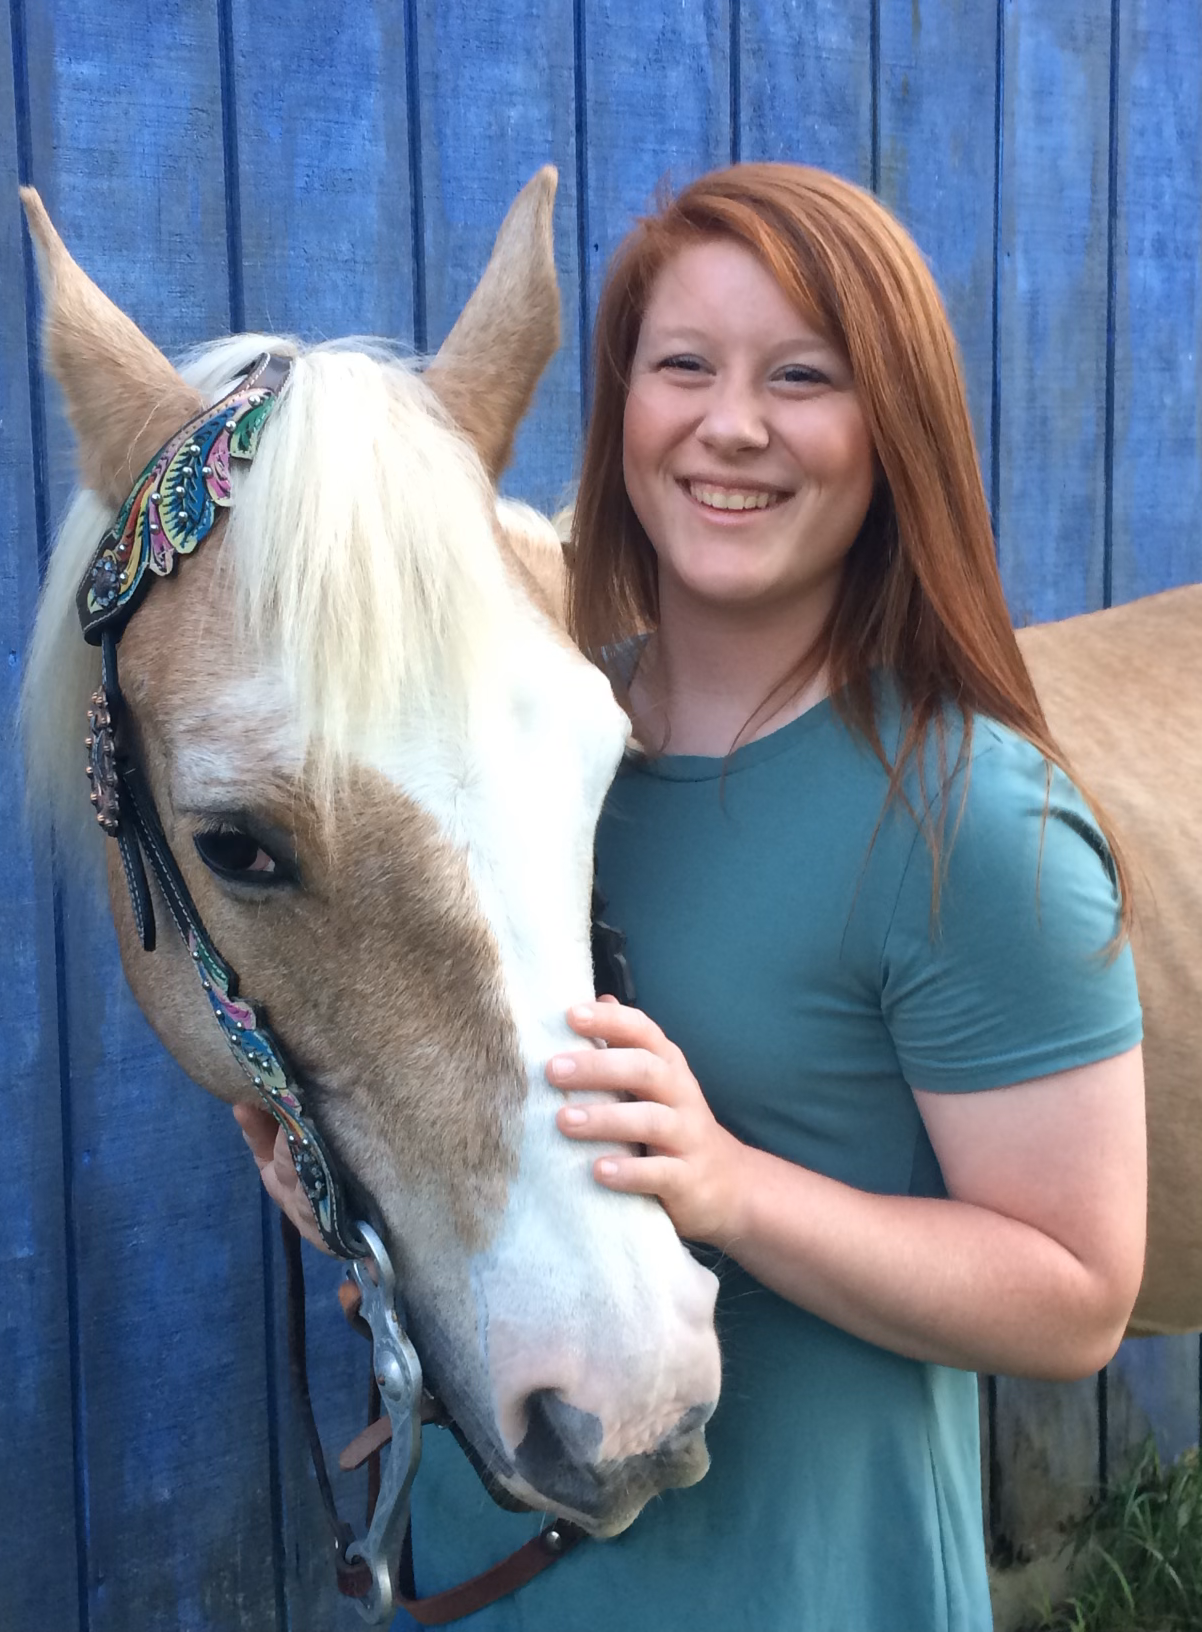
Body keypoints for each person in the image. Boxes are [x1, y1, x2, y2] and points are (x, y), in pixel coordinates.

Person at [237, 163, 1146, 1631]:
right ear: (620, 412)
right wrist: (357, 1204)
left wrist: (731, 1187)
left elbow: (1078, 1296)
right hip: (496, 1568)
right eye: (683, 367)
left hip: (800, 1588)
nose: (732, 424)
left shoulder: (970, 822)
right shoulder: (523, 770)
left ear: (891, 428)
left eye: (803, 375)